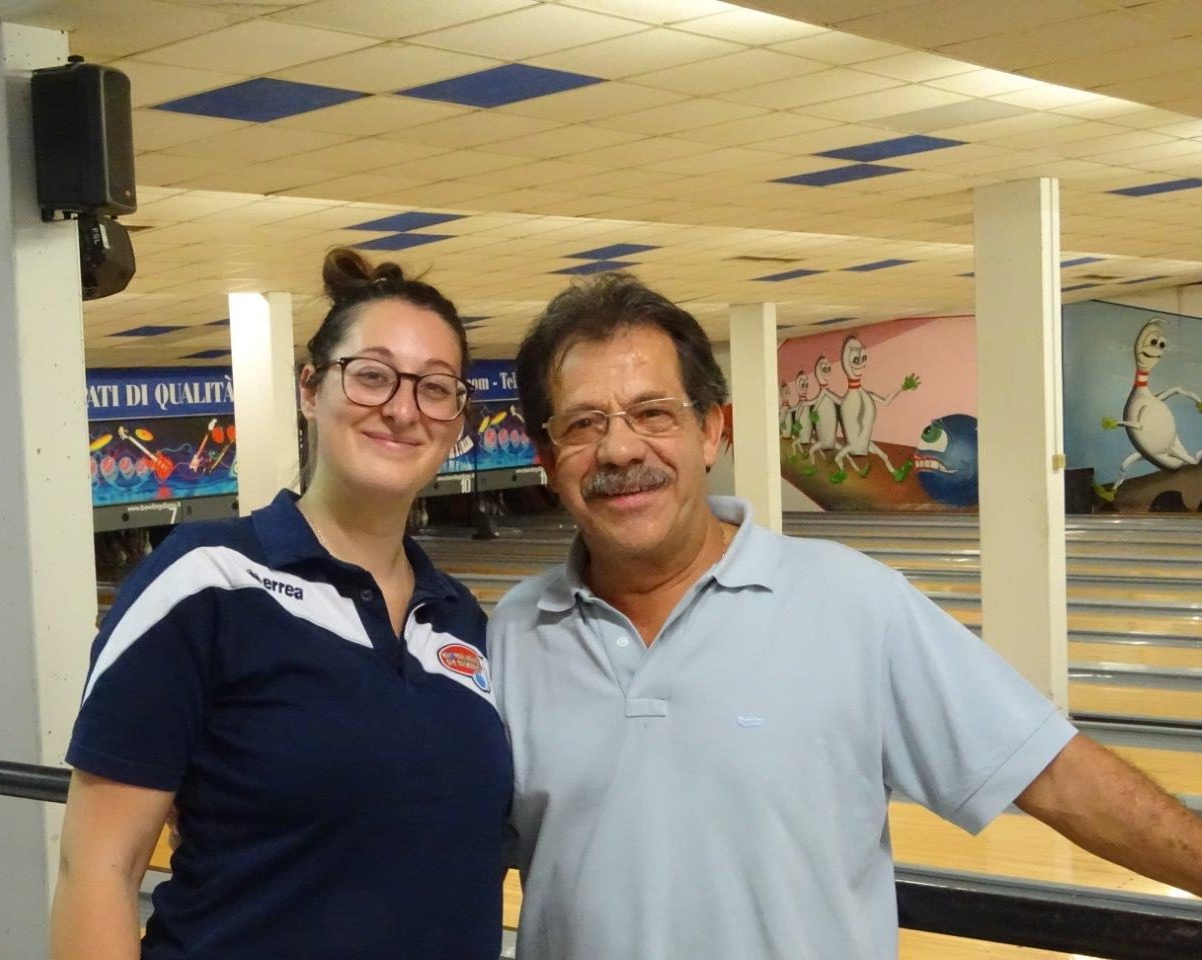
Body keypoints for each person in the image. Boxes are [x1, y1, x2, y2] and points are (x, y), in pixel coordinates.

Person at [489, 272, 1202, 960]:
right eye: (585, 424)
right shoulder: (510, 637)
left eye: (653, 413)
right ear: (550, 460)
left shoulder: (853, 602)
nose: (620, 449)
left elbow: (1054, 778)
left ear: (712, 431)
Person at [51, 248, 511, 960]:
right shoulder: (205, 582)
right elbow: (97, 871)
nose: (401, 407)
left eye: (435, 388)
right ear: (309, 388)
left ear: (456, 422)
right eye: (371, 376)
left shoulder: (459, 620)